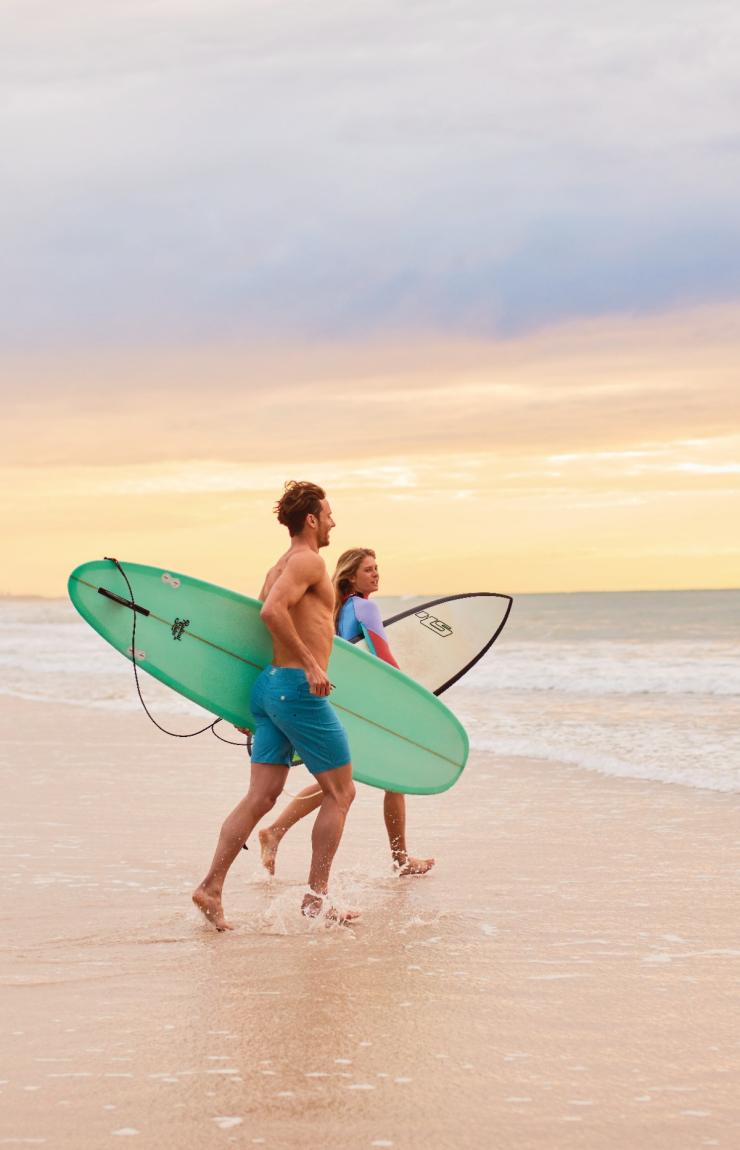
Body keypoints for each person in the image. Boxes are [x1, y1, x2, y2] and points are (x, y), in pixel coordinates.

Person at [192, 481, 357, 930]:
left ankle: (210, 887)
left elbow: (256, 631)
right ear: (311, 519)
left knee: (262, 795)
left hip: (271, 688)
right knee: (341, 792)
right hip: (298, 690)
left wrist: (251, 705)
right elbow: (271, 614)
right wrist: (312, 666)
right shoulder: (308, 561)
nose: (333, 522)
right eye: (328, 514)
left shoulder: (278, 566)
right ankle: (316, 899)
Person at [258, 548, 435, 877]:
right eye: (368, 569)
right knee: (377, 777)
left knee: (342, 778)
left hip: (345, 699)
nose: (376, 574)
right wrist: (412, 696)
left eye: (377, 568)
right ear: (351, 577)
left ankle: (276, 831)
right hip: (371, 703)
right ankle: (399, 859)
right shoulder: (366, 607)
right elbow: (381, 655)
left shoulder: (337, 609)